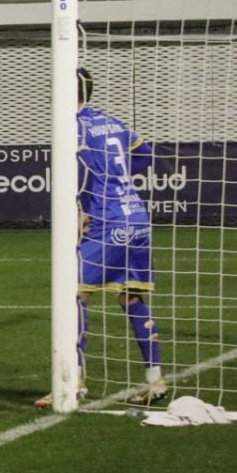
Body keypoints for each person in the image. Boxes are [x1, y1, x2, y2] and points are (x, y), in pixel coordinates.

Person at [38, 68, 165, 409]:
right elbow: (145, 154)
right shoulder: (111, 122)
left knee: (73, 295)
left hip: (107, 221)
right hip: (136, 215)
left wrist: (82, 207)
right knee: (131, 297)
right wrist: (116, 179)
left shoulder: (72, 126)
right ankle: (155, 381)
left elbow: (78, 169)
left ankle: (73, 384)